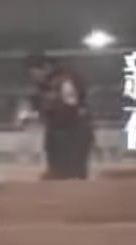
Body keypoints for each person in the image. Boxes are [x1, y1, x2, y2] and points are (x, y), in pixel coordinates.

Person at [22, 52, 95, 180]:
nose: (34, 77)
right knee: (56, 172)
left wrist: (50, 109)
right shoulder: (42, 87)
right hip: (57, 131)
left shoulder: (64, 81)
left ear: (46, 68)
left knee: (74, 172)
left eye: (35, 72)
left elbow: (72, 104)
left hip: (74, 131)